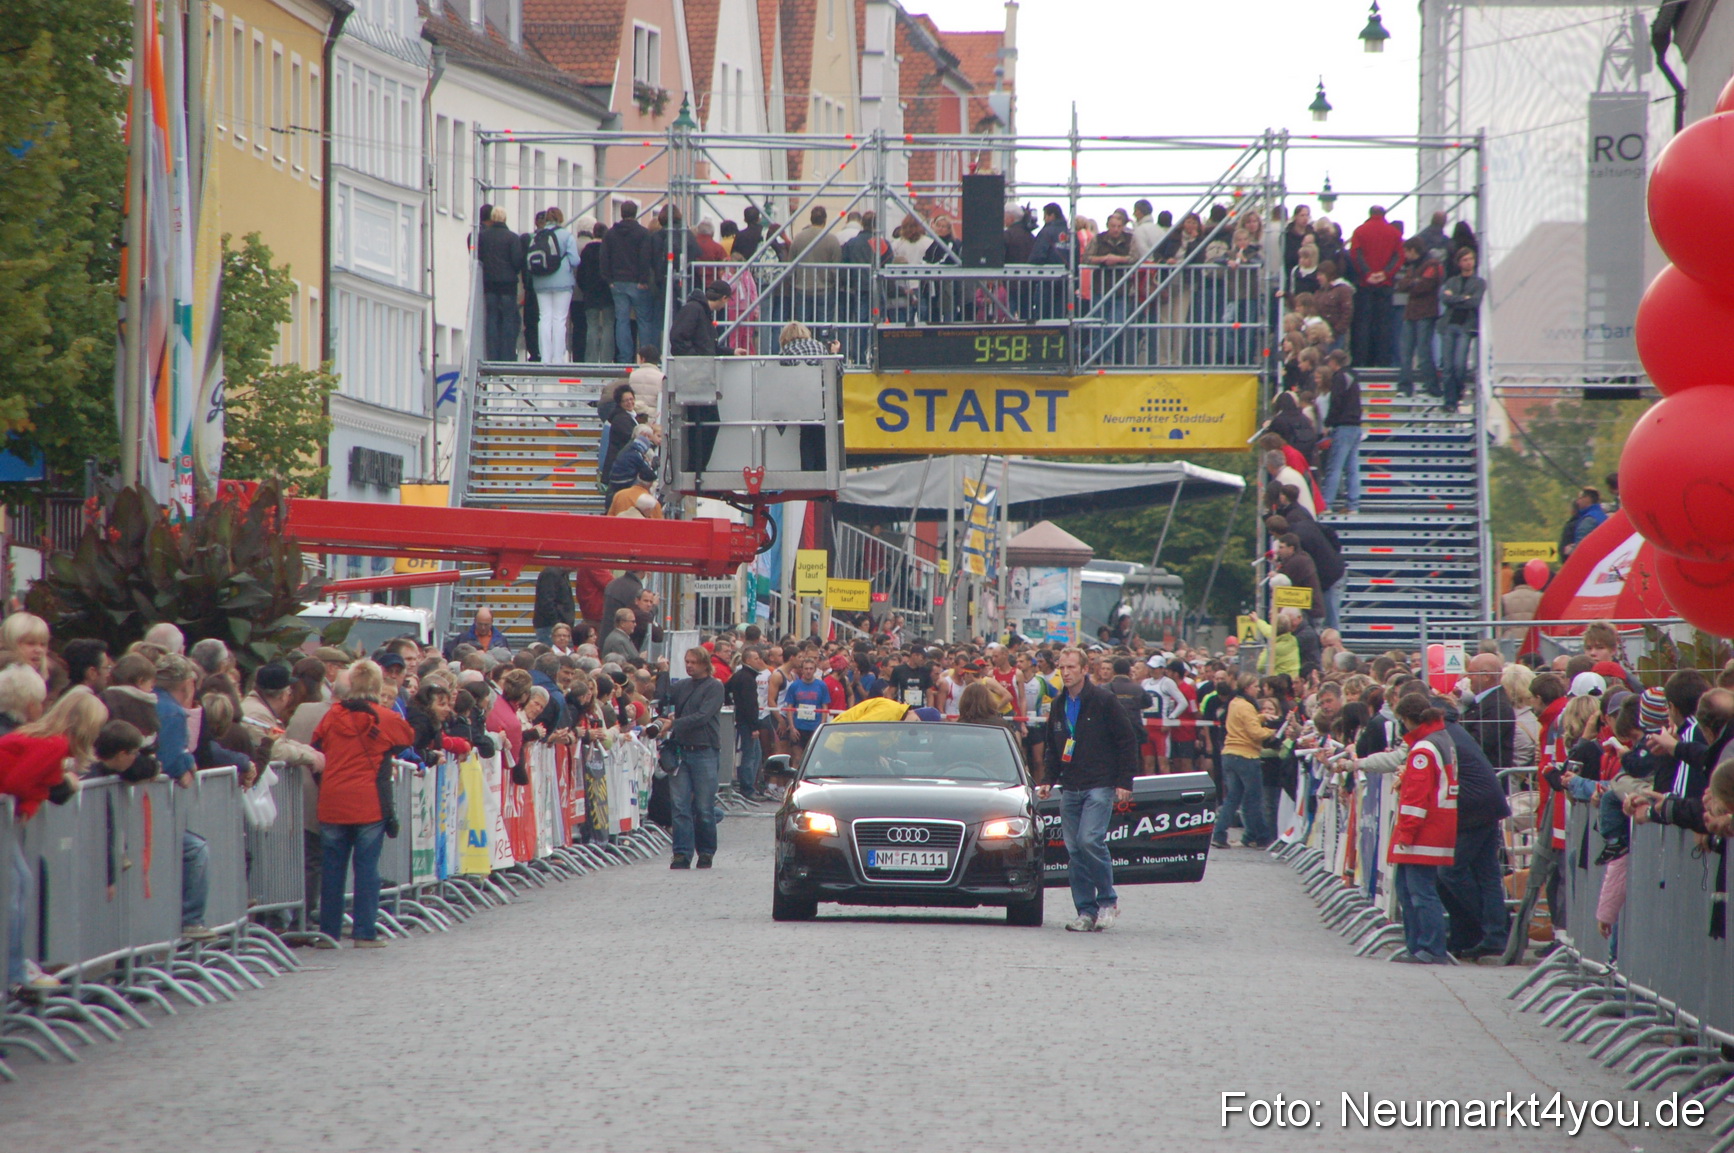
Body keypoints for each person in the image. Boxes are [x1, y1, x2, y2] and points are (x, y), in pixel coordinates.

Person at [310, 660, 414, 949]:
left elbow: (317, 744)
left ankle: (328, 933)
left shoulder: (332, 716)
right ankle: (364, 932)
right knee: (367, 868)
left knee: (333, 868)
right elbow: (407, 738)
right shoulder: (385, 717)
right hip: (369, 802)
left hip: (333, 800)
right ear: (378, 687)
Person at [1, 687, 100, 992]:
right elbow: (16, 782)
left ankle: (15, 964)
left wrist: (33, 799)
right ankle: (14, 967)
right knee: (18, 886)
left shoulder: (46, 739)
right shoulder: (55, 745)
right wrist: (43, 792)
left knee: (20, 883)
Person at [1039, 647, 1140, 933]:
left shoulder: (1104, 700)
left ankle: (1107, 901)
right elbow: (1053, 746)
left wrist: (1124, 782)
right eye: (1062, 667)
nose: (1066, 672)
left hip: (1100, 783)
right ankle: (1085, 910)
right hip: (1070, 785)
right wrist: (1048, 779)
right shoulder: (1059, 704)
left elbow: (1126, 741)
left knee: (1089, 840)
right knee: (1074, 850)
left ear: (1085, 669)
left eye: (1071, 667)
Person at [650, 648, 725, 869]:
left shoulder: (715, 686)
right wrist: (663, 674)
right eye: (686, 661)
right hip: (682, 751)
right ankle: (681, 853)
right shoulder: (682, 685)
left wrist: (674, 723)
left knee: (703, 806)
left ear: (704, 664)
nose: (689, 665)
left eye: (693, 662)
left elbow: (703, 716)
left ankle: (706, 851)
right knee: (680, 805)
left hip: (705, 751)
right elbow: (664, 698)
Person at [1216, 673, 1277, 849]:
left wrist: (1262, 718)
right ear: (1247, 687)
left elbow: (1244, 723)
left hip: (1229, 754)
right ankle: (1262, 837)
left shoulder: (1235, 703)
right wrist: (1273, 731)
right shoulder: (1248, 706)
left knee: (1232, 798)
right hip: (1246, 756)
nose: (1259, 689)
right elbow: (1255, 733)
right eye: (1256, 686)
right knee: (1253, 799)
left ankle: (1220, 834)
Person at [1348, 205, 1402, 368]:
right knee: (1384, 325)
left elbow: (1355, 254)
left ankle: (1362, 360)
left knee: (1363, 324)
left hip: (1366, 284)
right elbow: (1398, 256)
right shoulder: (1394, 233)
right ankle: (1382, 361)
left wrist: (1367, 273)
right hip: (1385, 285)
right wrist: (1385, 274)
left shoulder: (1360, 231)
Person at [601, 200, 653, 363]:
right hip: (638, 283)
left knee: (621, 320)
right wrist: (643, 279)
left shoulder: (610, 233)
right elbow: (645, 258)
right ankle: (646, 357)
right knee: (643, 320)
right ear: (636, 213)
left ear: (621, 213)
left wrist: (609, 279)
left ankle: (624, 358)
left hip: (617, 283)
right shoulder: (643, 233)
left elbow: (604, 258)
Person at [528, 207, 579, 365]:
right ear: (560, 218)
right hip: (562, 283)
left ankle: (545, 357)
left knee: (544, 318)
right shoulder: (566, 236)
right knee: (559, 319)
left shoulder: (536, 236)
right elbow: (575, 260)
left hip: (541, 281)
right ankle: (558, 358)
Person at [1394, 238, 1443, 398]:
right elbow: (1403, 285)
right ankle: (1405, 387)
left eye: (1406, 252)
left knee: (1423, 351)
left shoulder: (1432, 265)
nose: (1405, 256)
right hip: (1413, 313)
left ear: (1413, 250)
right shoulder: (1416, 266)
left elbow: (1423, 286)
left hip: (1425, 314)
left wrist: (1412, 283)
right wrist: (1413, 283)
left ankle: (1432, 386)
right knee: (1406, 351)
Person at [1437, 246, 1484, 413]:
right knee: (1448, 366)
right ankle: (1450, 400)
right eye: (1465, 260)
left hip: (1465, 327)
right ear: (1458, 263)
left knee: (1459, 365)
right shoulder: (1452, 281)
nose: (1468, 262)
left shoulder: (1478, 282)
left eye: (1470, 259)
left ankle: (1457, 393)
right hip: (1449, 325)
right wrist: (1463, 298)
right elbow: (1444, 299)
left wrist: (1455, 299)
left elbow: (1474, 302)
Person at [477, 205, 525, 361]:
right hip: (508, 285)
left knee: (491, 319)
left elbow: (480, 257)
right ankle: (507, 355)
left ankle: (492, 355)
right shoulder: (512, 238)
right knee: (508, 320)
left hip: (489, 283)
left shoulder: (483, 237)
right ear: (504, 219)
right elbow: (517, 261)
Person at [1459, 653, 1515, 769]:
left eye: (1471, 673)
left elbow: (1477, 743)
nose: (1467, 677)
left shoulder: (1498, 707)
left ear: (1486, 676)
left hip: (1485, 778)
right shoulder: (1485, 702)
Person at [726, 645, 766, 800]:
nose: (759, 661)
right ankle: (748, 789)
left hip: (744, 721)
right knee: (750, 755)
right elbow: (750, 705)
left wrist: (729, 704)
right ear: (748, 660)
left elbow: (725, 689)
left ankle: (750, 787)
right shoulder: (747, 678)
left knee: (754, 754)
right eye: (756, 659)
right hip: (747, 724)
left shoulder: (740, 675)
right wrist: (754, 726)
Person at [597, 380, 639, 484]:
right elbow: (632, 437)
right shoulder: (621, 419)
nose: (629, 402)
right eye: (625, 401)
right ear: (620, 403)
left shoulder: (626, 416)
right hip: (619, 470)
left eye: (631, 399)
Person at [1558, 487, 1608, 559]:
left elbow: (1582, 549)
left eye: (1580, 498)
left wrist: (1571, 550)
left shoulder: (1589, 520)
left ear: (1587, 498)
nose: (1578, 502)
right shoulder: (1602, 516)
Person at [532, 567, 575, 646]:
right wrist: (556, 623)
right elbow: (546, 601)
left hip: (554, 625)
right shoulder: (551, 574)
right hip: (550, 626)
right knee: (550, 655)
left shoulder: (561, 575)